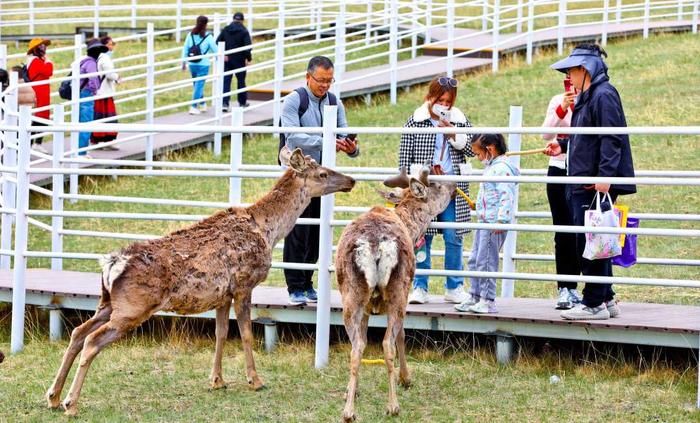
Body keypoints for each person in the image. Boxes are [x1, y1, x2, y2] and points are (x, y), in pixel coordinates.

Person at [544, 43, 636, 320]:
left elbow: (611, 137)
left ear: (585, 69)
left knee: (591, 240)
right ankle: (605, 298)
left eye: (571, 70)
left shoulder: (603, 95)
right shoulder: (590, 95)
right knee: (598, 239)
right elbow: (586, 137)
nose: (568, 77)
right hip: (585, 178)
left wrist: (605, 176)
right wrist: (564, 147)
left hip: (592, 181)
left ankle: (594, 302)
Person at [281, 56, 360, 305]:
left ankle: (307, 282)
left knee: (317, 229)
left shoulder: (334, 102)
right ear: (308, 77)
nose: (325, 86)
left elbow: (344, 131)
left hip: (323, 177)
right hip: (299, 176)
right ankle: (295, 286)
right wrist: (327, 141)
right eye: (320, 80)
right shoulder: (295, 100)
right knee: (298, 229)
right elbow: (293, 135)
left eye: (329, 80)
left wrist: (350, 146)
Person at [399, 75, 475, 305]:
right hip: (425, 191)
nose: (444, 105)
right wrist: (410, 184)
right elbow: (404, 156)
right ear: (429, 97)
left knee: (454, 235)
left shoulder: (460, 120)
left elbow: (473, 150)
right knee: (423, 237)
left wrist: (455, 136)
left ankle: (454, 285)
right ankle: (419, 285)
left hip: (452, 188)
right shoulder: (416, 121)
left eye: (448, 102)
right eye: (440, 99)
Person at [454, 134, 518, 314]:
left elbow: (506, 195)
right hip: (484, 220)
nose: (477, 157)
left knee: (487, 261)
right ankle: (475, 295)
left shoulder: (502, 169)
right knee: (475, 259)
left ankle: (487, 299)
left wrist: (502, 219)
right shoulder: (492, 167)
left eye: (478, 153)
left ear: (489, 149)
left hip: (493, 223)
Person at [541, 81, 582, 310]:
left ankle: (576, 286)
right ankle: (563, 288)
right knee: (562, 230)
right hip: (558, 167)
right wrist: (562, 108)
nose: (571, 83)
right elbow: (546, 133)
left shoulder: (590, 101)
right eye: (568, 78)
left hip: (580, 170)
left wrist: (577, 107)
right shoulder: (558, 100)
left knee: (579, 232)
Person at [78, 38, 109, 157]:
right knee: (86, 123)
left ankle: (80, 150)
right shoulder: (91, 63)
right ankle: (81, 152)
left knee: (81, 122)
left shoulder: (84, 61)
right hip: (87, 94)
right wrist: (95, 89)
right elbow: (94, 80)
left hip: (81, 92)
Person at [181, 15, 218, 115]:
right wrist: (220, 60)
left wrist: (183, 63)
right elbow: (216, 50)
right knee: (199, 85)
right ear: (206, 24)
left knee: (197, 85)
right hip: (203, 64)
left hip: (192, 63)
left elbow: (185, 49)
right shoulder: (208, 36)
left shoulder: (191, 35)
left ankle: (202, 104)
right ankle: (193, 106)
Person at [90, 35, 122, 149]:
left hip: (98, 92)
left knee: (99, 116)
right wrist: (117, 77)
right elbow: (110, 74)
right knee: (108, 116)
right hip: (105, 92)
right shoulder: (105, 58)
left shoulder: (96, 57)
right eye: (110, 44)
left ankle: (98, 140)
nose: (112, 47)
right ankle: (107, 140)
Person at [217, 11, 252, 111]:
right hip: (240, 60)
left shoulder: (226, 29)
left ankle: (225, 103)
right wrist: (248, 58)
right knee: (241, 81)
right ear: (242, 20)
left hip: (227, 59)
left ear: (233, 19)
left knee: (226, 81)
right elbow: (247, 47)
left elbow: (217, 41)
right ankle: (242, 102)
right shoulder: (244, 31)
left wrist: (224, 54)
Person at [25, 37, 53, 153]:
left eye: (44, 46)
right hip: (38, 92)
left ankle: (37, 143)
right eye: (41, 46)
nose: (43, 48)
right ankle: (31, 143)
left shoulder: (38, 60)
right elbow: (49, 71)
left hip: (43, 92)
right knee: (38, 117)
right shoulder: (35, 61)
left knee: (42, 116)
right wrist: (49, 61)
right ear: (35, 49)